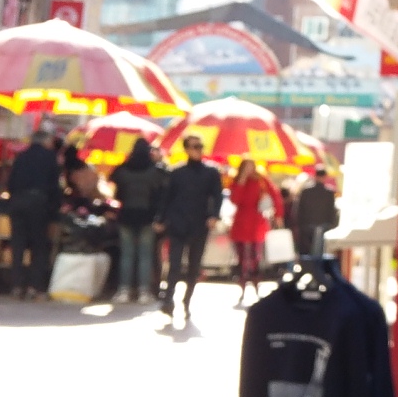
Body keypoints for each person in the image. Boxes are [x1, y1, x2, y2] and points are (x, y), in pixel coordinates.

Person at [158, 135, 224, 324]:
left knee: (194, 267)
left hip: (199, 225)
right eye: (194, 146)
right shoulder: (176, 172)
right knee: (174, 265)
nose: (198, 149)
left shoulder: (211, 172)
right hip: (178, 223)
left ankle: (186, 302)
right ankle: (168, 299)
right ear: (186, 149)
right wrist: (161, 219)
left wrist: (214, 216)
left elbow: (217, 196)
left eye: (200, 146)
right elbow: (167, 198)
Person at [4, 129, 62, 300]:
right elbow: (54, 185)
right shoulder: (50, 157)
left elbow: (11, 182)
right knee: (38, 246)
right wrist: (55, 207)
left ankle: (16, 285)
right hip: (38, 204)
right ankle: (34, 287)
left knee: (18, 245)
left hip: (18, 203)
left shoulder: (21, 157)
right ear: (45, 141)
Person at [109, 138, 168, 303]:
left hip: (126, 215)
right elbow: (161, 194)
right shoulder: (155, 172)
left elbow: (118, 194)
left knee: (127, 254)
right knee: (145, 255)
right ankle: (144, 291)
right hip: (147, 217)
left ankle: (124, 290)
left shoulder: (122, 170)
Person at [228, 158, 283, 305]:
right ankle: (242, 288)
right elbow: (235, 199)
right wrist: (241, 180)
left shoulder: (261, 180)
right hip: (241, 222)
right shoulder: (237, 181)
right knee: (241, 259)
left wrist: (278, 215)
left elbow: (275, 196)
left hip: (257, 223)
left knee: (255, 258)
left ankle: (256, 286)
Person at [293, 169, 340, 257]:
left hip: (306, 229)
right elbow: (332, 212)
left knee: (306, 255)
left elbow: (299, 211)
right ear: (325, 177)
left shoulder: (306, 192)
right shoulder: (329, 193)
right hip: (323, 228)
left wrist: (299, 225)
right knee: (320, 254)